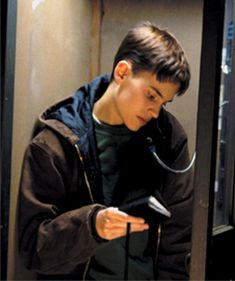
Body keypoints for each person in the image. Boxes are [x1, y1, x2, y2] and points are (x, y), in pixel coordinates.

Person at [18, 21, 194, 280]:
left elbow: (177, 243)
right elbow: (35, 248)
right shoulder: (57, 143)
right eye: (151, 96)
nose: (155, 112)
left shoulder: (168, 137)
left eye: (164, 103)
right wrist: (91, 226)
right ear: (122, 73)